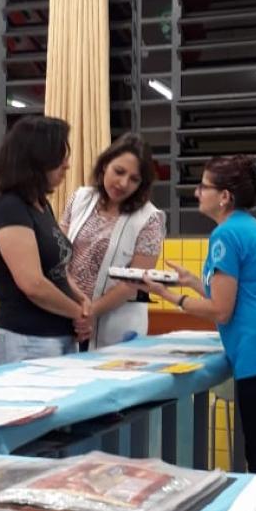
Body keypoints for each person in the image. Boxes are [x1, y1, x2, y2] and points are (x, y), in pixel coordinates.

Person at [137, 155, 256, 474]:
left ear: (225, 196)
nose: (197, 193)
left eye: (203, 187)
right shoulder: (250, 227)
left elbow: (221, 310)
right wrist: (193, 281)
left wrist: (170, 296)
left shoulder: (226, 235)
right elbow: (240, 295)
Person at [0, 116, 91, 363]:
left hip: (59, 334)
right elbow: (32, 284)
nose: (67, 166)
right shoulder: (9, 207)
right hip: (28, 338)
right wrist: (76, 313)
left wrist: (80, 298)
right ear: (36, 161)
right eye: (59, 159)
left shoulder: (41, 205)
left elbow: (56, 270)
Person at [59, 133, 165, 349]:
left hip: (117, 325)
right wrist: (75, 307)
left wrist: (90, 311)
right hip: (68, 314)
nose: (123, 183)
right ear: (105, 164)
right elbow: (57, 255)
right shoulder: (80, 198)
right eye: (119, 172)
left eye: (134, 179)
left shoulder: (150, 218)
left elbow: (134, 283)